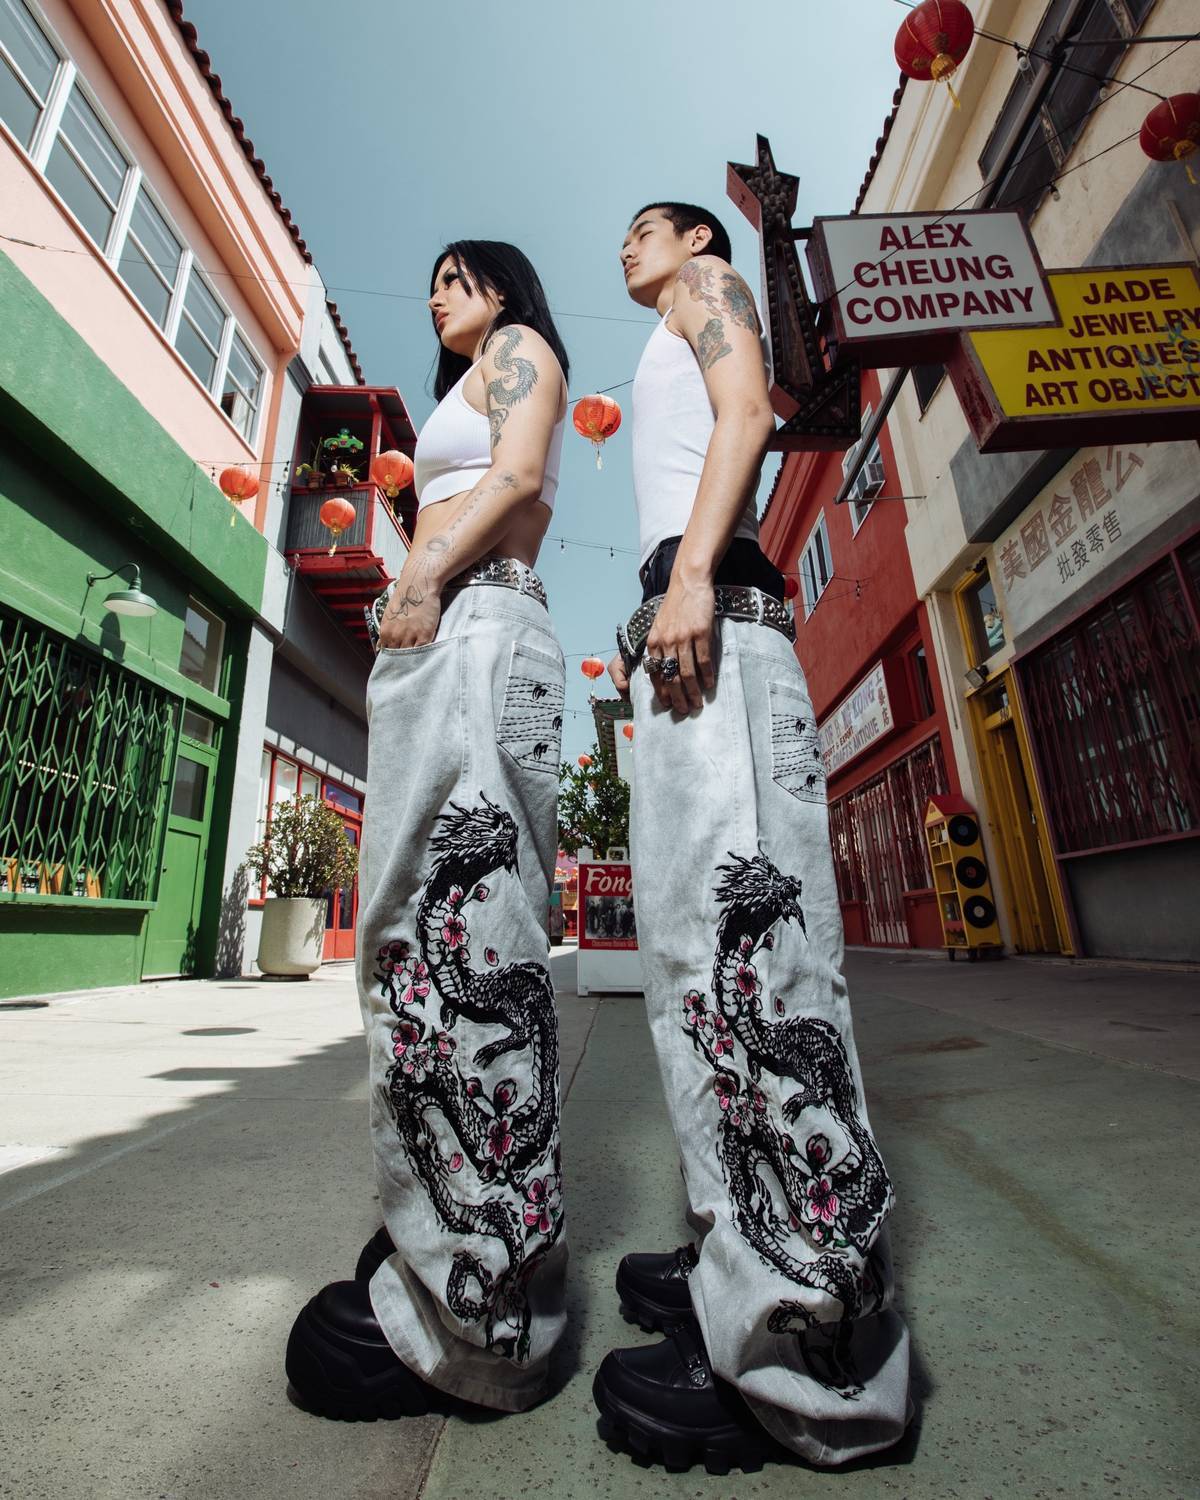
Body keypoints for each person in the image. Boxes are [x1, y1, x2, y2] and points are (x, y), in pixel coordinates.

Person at [591, 203, 911, 1471]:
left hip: (716, 615)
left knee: (757, 964)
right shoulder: (670, 320)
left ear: (696, 236)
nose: (627, 248)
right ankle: (745, 1259)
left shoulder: (713, 285)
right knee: (696, 968)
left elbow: (749, 416)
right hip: (691, 629)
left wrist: (687, 580)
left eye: (645, 229)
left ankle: (816, 1357)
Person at [285, 242, 571, 1419]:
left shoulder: (518, 348)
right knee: (415, 936)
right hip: (455, 630)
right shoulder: (474, 372)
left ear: (501, 290)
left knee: (461, 934)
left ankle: (483, 1320)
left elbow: (517, 474)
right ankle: (449, 1241)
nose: (438, 294)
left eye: (458, 276)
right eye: (435, 283)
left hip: (476, 620)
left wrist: (422, 576)